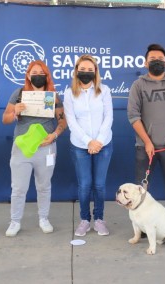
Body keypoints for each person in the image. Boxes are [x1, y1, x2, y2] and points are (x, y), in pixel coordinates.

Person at [2, 60, 67, 237]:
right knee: (18, 188)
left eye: (41, 72)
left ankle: (43, 218)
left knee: (44, 186)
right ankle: (15, 221)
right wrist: (14, 110)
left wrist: (54, 135)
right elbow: (5, 119)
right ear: (28, 76)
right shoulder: (19, 94)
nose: (38, 75)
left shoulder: (53, 96)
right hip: (22, 147)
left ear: (46, 76)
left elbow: (62, 121)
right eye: (34, 72)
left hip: (46, 147)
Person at [127, 44, 165, 221]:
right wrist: (147, 141)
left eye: (160, 59)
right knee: (141, 189)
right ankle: (142, 224)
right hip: (145, 148)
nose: (157, 62)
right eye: (153, 60)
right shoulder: (138, 85)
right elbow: (133, 116)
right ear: (146, 63)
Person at [63, 55, 113, 236]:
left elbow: (108, 117)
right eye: (82, 70)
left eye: (90, 70)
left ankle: (99, 219)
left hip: (103, 144)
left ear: (95, 72)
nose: (86, 73)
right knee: (84, 185)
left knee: (99, 185)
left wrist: (98, 141)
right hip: (79, 146)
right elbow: (71, 121)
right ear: (76, 71)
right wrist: (88, 141)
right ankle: (84, 220)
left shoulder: (104, 90)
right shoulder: (69, 93)